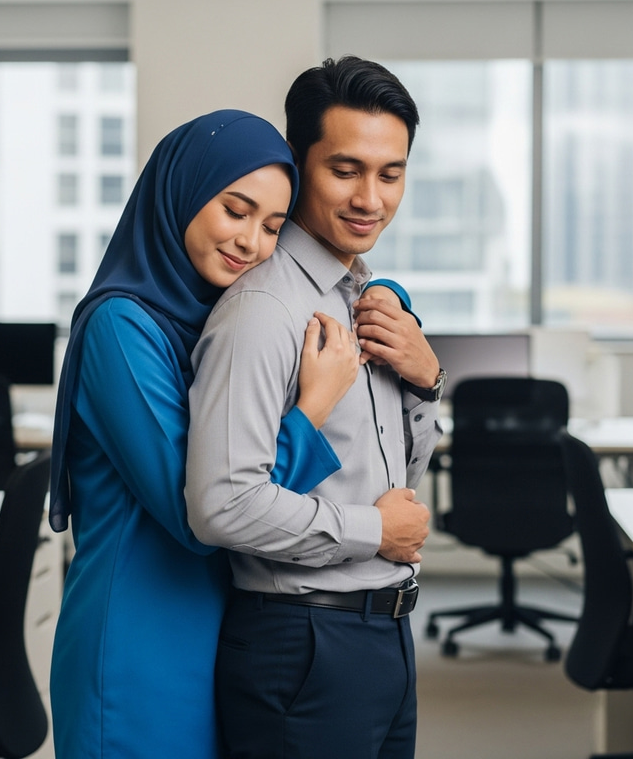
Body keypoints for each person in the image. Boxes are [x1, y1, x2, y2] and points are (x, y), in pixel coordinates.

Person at [48, 109, 368, 759]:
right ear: (186, 192)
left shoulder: (209, 323)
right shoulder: (121, 327)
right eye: (235, 209)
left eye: (273, 226)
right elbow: (199, 512)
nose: (251, 240)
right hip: (136, 644)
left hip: (213, 631)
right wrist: (311, 409)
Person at [185, 57, 445, 759]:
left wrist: (426, 380)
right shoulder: (264, 311)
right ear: (299, 164)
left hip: (382, 632)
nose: (371, 198)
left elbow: (400, 480)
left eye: (390, 174)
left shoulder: (363, 299)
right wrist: (374, 532)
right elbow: (221, 505)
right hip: (302, 641)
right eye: (346, 170)